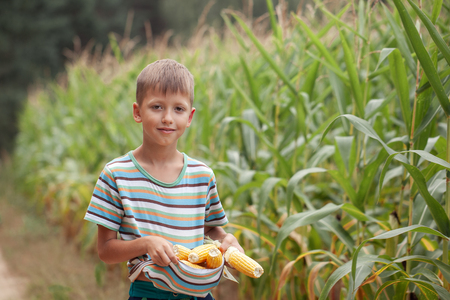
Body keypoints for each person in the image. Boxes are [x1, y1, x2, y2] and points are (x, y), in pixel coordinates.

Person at [84, 59, 244, 300]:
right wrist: (145, 243)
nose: (168, 118)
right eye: (157, 107)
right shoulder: (116, 175)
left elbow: (211, 229)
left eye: (178, 109)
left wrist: (227, 242)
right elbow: (105, 250)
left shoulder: (202, 176)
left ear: (189, 117)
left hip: (199, 295)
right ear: (137, 112)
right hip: (148, 293)